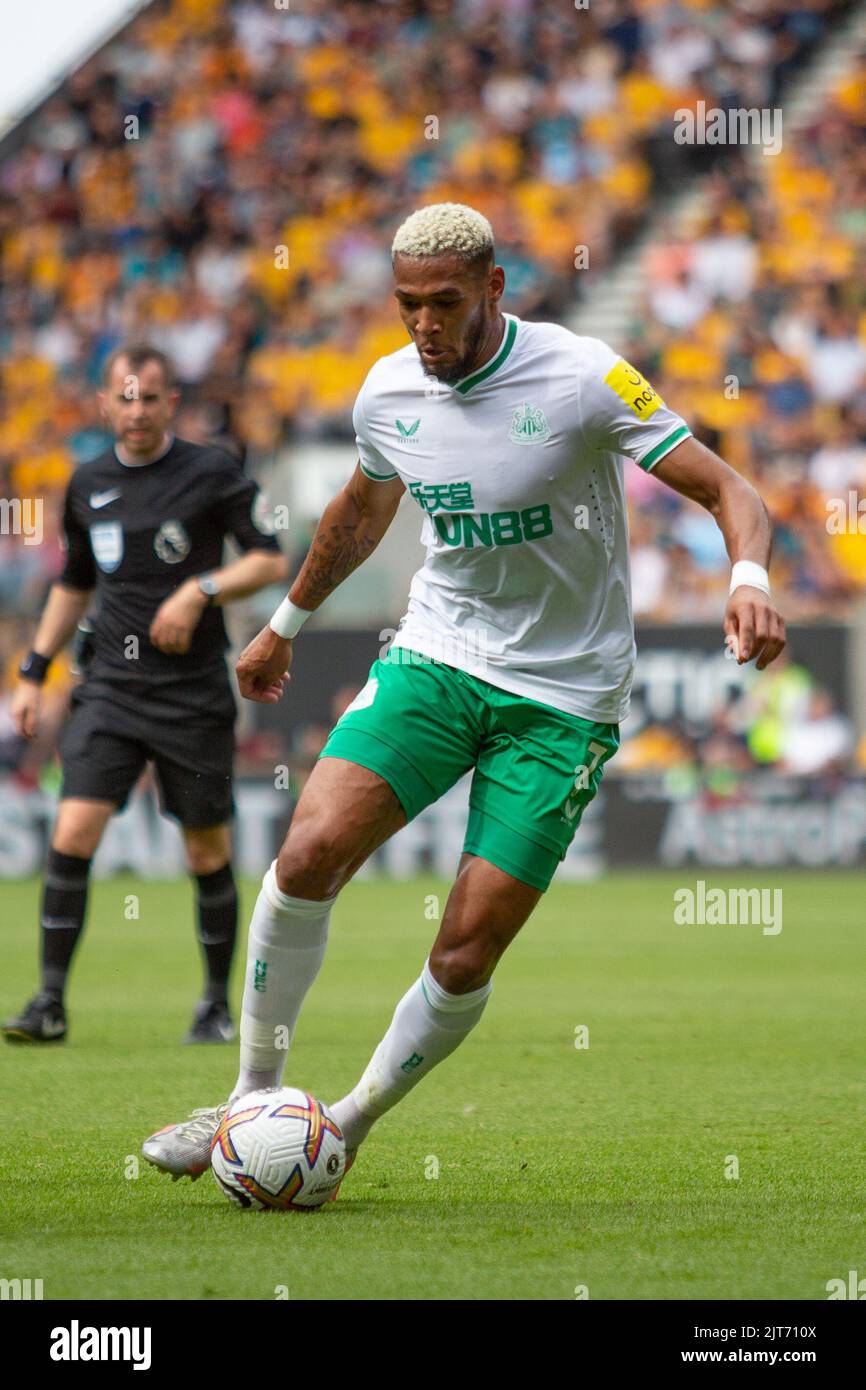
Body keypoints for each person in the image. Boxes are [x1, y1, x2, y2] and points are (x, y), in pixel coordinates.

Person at [141, 203, 785, 1192]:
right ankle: (246, 1102)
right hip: (437, 654)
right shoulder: (388, 391)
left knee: (467, 943)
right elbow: (361, 510)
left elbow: (730, 492)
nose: (423, 326)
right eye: (407, 306)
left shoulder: (580, 377)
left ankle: (343, 1126)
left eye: (443, 303)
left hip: (563, 698)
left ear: (491, 287)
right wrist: (284, 625)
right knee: (306, 852)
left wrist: (747, 580)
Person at [3, 344, 286, 1045]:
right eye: (124, 398)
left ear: (170, 404)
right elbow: (74, 583)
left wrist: (200, 589)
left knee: (204, 851)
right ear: (105, 403)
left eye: (150, 398)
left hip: (191, 692)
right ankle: (49, 1003)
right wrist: (34, 672)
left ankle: (216, 1007)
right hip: (109, 689)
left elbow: (270, 557)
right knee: (71, 833)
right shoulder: (87, 482)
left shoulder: (210, 471)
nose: (136, 411)